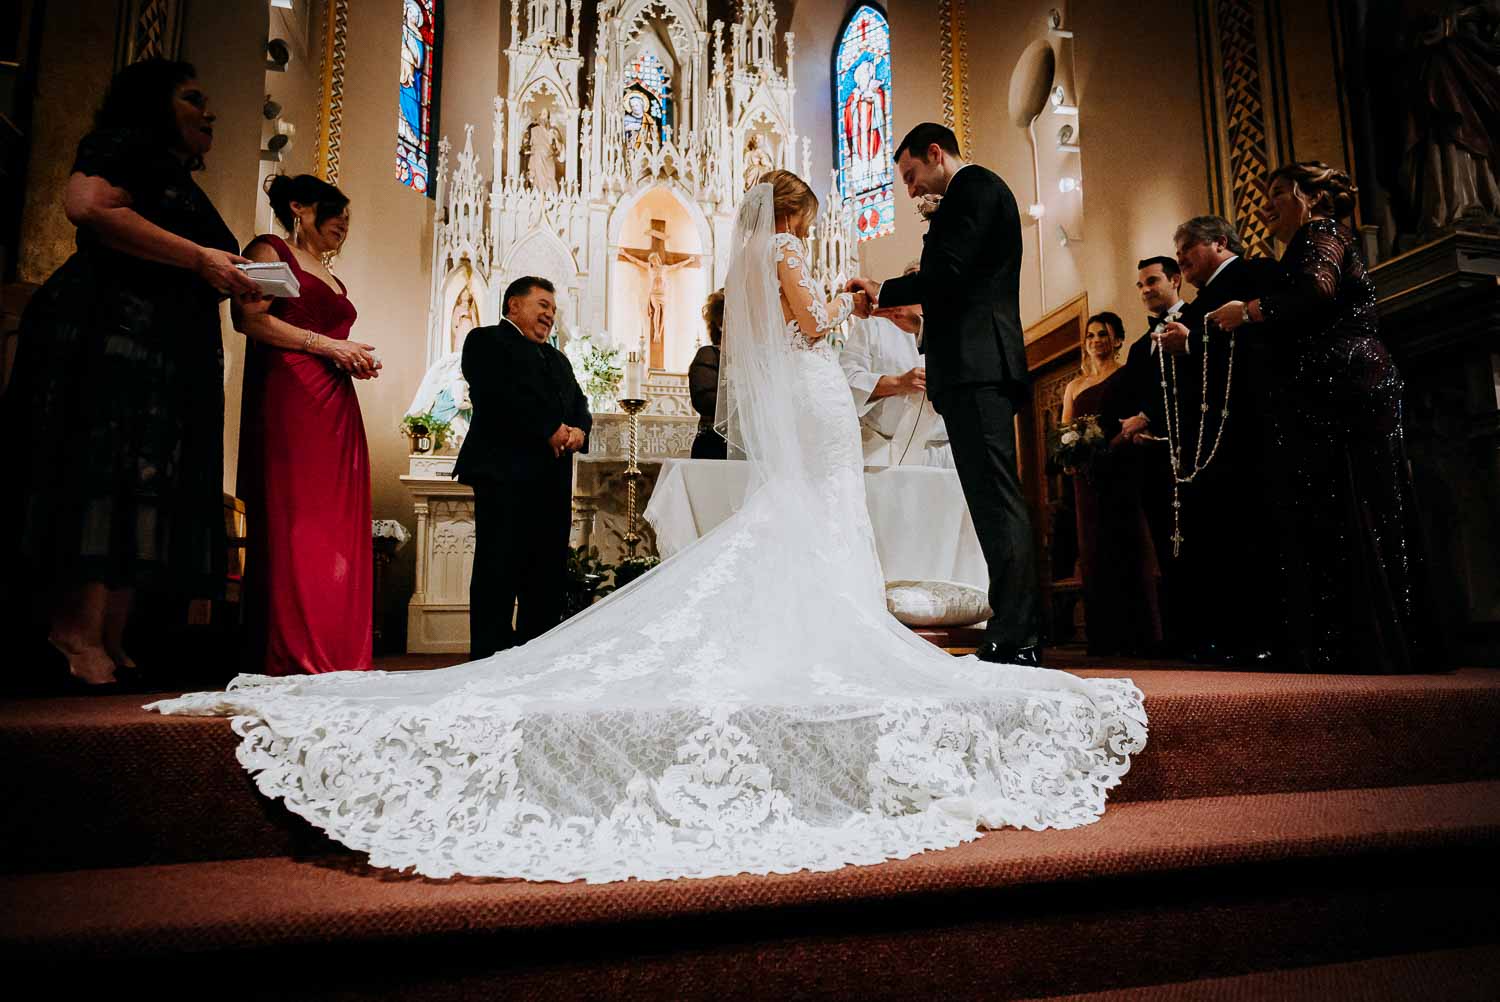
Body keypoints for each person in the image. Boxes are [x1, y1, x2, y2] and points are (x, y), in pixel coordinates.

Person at [149, 170, 1145, 887]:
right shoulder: (786, 252)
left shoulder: (756, 256)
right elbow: (806, 332)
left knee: (800, 520)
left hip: (805, 406)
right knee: (817, 519)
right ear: (795, 213)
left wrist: (835, 310)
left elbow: (780, 325)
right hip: (813, 398)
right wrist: (845, 310)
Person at [1, 59, 257, 689]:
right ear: (153, 104)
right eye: (193, 99)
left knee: (145, 480)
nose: (210, 111)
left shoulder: (175, 177)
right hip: (112, 332)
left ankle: (112, 637)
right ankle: (73, 633)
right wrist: (201, 257)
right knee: (102, 471)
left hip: (161, 346)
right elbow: (86, 205)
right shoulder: (121, 146)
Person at [1203, 162, 1437, 673]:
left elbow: (1317, 291)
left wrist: (1248, 311)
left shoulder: (1321, 231)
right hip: (1348, 382)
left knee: (1348, 503)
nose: (1269, 204)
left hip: (1345, 384)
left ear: (1312, 198)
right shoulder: (1314, 237)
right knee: (1359, 505)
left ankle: (1361, 643)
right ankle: (1369, 639)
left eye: (1280, 193)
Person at [848, 123, 1040, 666]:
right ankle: (1013, 628)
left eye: (911, 176)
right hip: (970, 368)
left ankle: (1018, 634)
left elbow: (948, 273)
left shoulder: (973, 188)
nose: (909, 191)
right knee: (987, 500)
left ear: (936, 153)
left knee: (997, 501)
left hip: (979, 365)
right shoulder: (966, 195)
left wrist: (883, 290)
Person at [1124, 217, 1283, 665]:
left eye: (1186, 248)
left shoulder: (1258, 276)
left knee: (1249, 536)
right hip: (1209, 442)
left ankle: (1258, 637)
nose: (1181, 259)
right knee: (1218, 542)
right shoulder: (1200, 304)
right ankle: (1229, 636)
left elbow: (1268, 347)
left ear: (1219, 242)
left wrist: (1192, 345)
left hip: (1251, 432)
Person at [235, 174, 377, 675]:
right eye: (333, 210)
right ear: (298, 206)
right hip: (293, 392)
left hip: (336, 400)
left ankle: (337, 648)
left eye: (346, 216)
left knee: (336, 527)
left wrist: (351, 356)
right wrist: (330, 346)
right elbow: (250, 320)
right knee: (300, 521)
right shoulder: (270, 249)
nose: (343, 222)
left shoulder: (333, 275)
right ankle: (297, 649)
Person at [453, 276, 591, 658]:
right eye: (542, 304)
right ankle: (488, 659)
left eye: (553, 308)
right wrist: (548, 430)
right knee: (498, 571)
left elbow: (580, 403)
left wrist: (580, 430)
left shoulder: (558, 359)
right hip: (504, 476)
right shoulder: (484, 341)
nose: (550, 314)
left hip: (552, 480)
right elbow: (497, 395)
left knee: (546, 575)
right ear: (514, 305)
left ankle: (536, 660)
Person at [1061, 312, 1161, 656]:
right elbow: (1065, 430)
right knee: (1094, 550)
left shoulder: (1126, 374)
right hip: (1087, 479)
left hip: (1120, 468)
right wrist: (1070, 455)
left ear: (1117, 339)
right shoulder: (1075, 385)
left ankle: (1139, 636)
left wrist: (1111, 447)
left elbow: (1133, 418)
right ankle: (1104, 636)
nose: (1095, 341)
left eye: (1102, 334)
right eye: (1090, 336)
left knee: (1127, 544)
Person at [1102, 257, 1187, 653]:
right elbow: (1134, 395)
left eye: (1152, 281)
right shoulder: (1139, 347)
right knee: (1164, 544)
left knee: (1198, 541)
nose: (1145, 290)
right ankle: (1176, 634)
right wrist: (1134, 427)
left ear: (1175, 279)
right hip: (1150, 460)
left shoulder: (1198, 322)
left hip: (1193, 451)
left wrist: (1149, 418)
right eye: (1139, 285)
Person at [840, 261, 952, 468]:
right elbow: (845, 380)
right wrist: (898, 383)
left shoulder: (953, 327)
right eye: (911, 280)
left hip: (946, 452)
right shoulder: (873, 326)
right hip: (885, 451)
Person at [688, 289, 727, 459]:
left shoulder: (758, 359)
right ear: (720, 323)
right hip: (715, 447)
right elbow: (704, 401)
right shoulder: (709, 355)